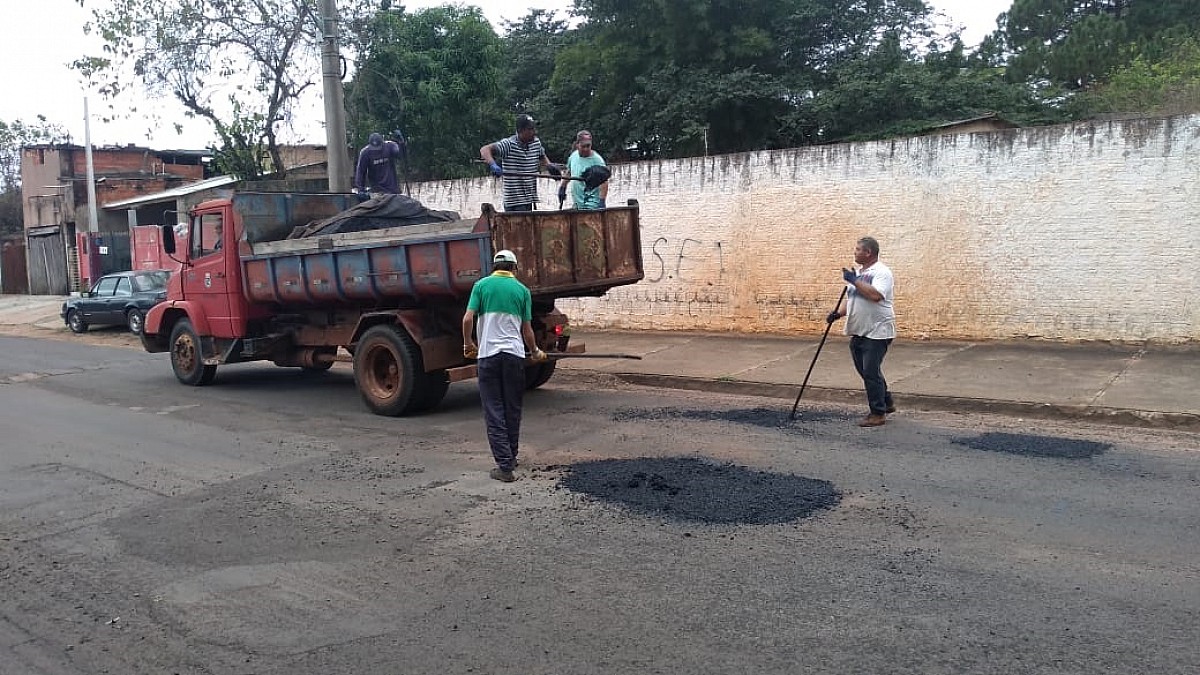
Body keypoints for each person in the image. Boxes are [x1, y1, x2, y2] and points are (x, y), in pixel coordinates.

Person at [462, 249, 548, 482]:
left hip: (488, 356)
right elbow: (527, 330)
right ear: (514, 268)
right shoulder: (522, 291)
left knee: (494, 410)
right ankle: (511, 456)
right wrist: (535, 351)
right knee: (512, 408)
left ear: (494, 267)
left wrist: (468, 344)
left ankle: (504, 466)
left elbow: (468, 319)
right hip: (513, 356)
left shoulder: (481, 286)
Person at [826, 236, 896, 427]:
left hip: (878, 330)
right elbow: (853, 300)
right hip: (859, 329)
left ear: (868, 253)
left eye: (858, 249)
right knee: (865, 370)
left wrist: (855, 281)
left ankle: (877, 413)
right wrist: (837, 314)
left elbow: (875, 296)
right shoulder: (857, 273)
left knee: (871, 371)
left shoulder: (882, 272)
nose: (854, 252)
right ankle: (886, 401)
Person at [480, 114, 555, 212]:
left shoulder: (535, 143)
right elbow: (485, 149)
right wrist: (493, 164)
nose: (534, 132)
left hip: (528, 199)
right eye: (530, 129)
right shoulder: (509, 144)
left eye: (534, 128)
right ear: (520, 131)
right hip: (513, 201)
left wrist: (549, 166)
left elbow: (541, 155)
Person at [559, 130, 608, 210]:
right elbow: (569, 173)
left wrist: (602, 201)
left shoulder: (597, 161)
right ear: (577, 145)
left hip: (592, 205)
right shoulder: (573, 156)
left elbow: (604, 183)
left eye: (588, 146)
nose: (586, 149)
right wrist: (563, 187)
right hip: (578, 204)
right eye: (583, 146)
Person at [353, 132, 403, 197]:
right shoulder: (365, 153)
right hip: (376, 190)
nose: (376, 151)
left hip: (392, 188)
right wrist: (360, 189)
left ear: (382, 143)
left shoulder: (390, 146)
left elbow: (400, 155)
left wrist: (401, 143)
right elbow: (361, 172)